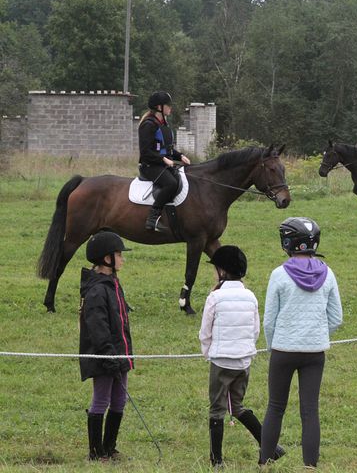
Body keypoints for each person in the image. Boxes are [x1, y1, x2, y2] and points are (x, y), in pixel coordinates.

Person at [260, 217, 343, 467]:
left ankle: (264, 463)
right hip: (314, 352)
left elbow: (269, 320)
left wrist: (271, 345)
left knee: (275, 406)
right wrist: (317, 332)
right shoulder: (328, 274)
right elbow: (336, 318)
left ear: (287, 243)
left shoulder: (278, 275)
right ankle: (310, 467)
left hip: (283, 349)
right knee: (310, 410)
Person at [199, 245, 285, 467]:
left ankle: (216, 461)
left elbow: (205, 331)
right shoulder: (250, 296)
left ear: (222, 271)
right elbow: (255, 329)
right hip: (243, 362)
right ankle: (270, 447)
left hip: (221, 361)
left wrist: (208, 353)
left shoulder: (215, 297)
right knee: (236, 406)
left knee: (217, 409)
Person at [79, 231, 133, 461]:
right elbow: (97, 326)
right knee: (101, 399)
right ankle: (96, 451)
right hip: (103, 356)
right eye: (118, 254)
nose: (122, 259)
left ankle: (110, 447)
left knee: (120, 400)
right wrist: (108, 355)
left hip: (119, 356)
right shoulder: (96, 290)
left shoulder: (113, 284)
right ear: (106, 259)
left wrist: (123, 356)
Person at [138, 91, 191, 232]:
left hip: (161, 164)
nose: (170, 108)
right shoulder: (148, 125)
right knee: (171, 183)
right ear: (159, 107)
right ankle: (152, 218)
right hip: (149, 166)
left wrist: (180, 156)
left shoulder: (164, 125)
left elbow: (167, 150)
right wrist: (163, 159)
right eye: (168, 105)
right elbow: (145, 152)